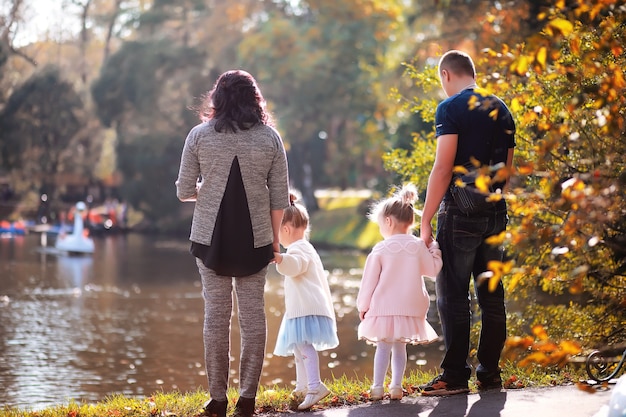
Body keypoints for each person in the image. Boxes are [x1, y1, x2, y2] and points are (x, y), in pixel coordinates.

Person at [175, 70, 290, 417]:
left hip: (210, 239)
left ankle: (217, 400)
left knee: (216, 317)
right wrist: (273, 245)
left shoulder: (198, 136)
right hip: (256, 240)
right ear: (254, 99)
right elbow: (279, 199)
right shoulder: (270, 139)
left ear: (218, 99)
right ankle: (248, 400)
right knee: (253, 317)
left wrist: (206, 193)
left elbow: (183, 191)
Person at [419, 50, 516, 396]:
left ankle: (455, 377)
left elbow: (443, 167)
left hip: (459, 216)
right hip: (495, 211)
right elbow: (508, 169)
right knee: (492, 295)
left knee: (453, 295)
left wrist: (426, 218)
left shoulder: (450, 109)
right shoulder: (501, 108)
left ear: (446, 75)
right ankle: (489, 373)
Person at [357, 184, 443, 401]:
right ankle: (396, 386)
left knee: (382, 347)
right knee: (400, 348)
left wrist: (363, 307)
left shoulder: (380, 249)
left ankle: (377, 387)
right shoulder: (418, 246)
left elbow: (369, 283)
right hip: (410, 307)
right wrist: (434, 248)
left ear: (388, 222)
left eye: (379, 224)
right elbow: (432, 270)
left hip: (384, 307)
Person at [273, 192, 339, 410]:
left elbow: (295, 266)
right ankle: (302, 385)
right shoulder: (305, 246)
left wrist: (280, 259)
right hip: (299, 308)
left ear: (286, 229)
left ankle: (314, 386)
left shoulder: (299, 249)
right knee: (298, 348)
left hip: (306, 308)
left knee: (304, 347)